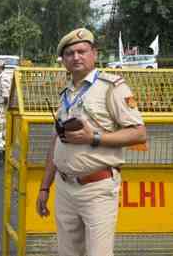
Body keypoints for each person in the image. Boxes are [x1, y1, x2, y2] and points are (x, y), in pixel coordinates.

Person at [36, 28, 147, 256]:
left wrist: (94, 138)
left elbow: (138, 133)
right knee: (68, 253)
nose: (76, 57)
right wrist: (45, 187)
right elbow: (56, 142)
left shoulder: (112, 88)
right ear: (63, 60)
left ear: (94, 54)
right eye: (69, 53)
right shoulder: (66, 93)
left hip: (97, 188)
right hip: (65, 187)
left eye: (81, 51)